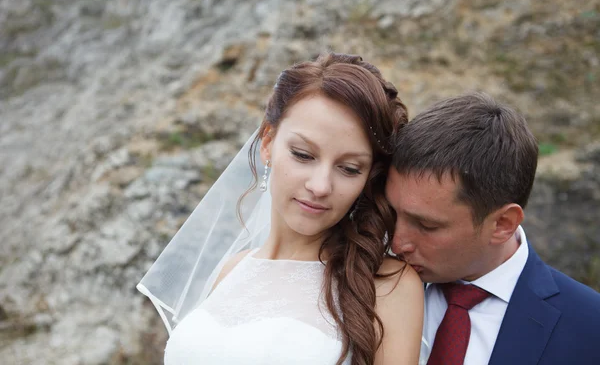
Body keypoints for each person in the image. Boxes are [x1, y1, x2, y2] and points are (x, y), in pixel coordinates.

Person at [138, 53, 424, 365]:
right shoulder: (231, 269)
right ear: (268, 142)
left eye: (350, 169)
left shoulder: (386, 284)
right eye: (303, 155)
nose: (320, 186)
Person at [385, 92, 600, 365]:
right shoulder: (362, 284)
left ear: (503, 224)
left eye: (427, 225)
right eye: (391, 212)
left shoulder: (590, 329)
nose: (396, 242)